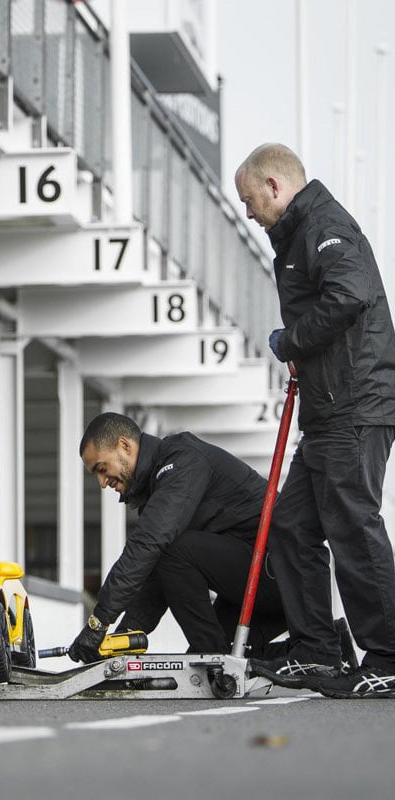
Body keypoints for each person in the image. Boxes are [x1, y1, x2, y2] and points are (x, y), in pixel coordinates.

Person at [234, 143, 395, 698]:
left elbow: (349, 295)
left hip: (356, 406)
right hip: (328, 410)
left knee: (352, 525)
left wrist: (290, 341)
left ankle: (389, 658)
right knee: (291, 523)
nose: (249, 213)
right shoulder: (298, 234)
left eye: (251, 201)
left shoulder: (325, 224)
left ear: (276, 187)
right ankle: (319, 651)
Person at [68, 412, 287, 663]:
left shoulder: (183, 460)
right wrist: (121, 644)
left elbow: (150, 547)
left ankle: (214, 658)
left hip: (280, 576)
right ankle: (330, 642)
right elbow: (155, 582)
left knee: (211, 656)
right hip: (257, 581)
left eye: (102, 468)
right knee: (223, 654)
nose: (102, 483)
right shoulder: (161, 484)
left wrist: (99, 623)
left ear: (124, 446)